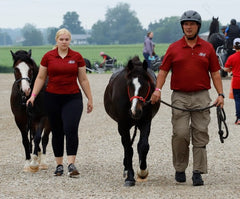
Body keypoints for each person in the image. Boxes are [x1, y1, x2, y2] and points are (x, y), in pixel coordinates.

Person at [150, 10, 224, 186]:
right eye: (185, 24)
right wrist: (158, 89)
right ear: (182, 26)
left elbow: (215, 73)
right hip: (180, 96)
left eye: (191, 24)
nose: (188, 27)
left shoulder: (207, 48)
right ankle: (180, 168)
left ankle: (198, 171)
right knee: (180, 133)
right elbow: (163, 71)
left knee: (200, 133)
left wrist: (220, 94)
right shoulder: (173, 48)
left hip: (201, 96)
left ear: (198, 26)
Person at [27, 28, 93, 177]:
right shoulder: (48, 57)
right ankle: (59, 165)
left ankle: (71, 164)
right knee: (57, 131)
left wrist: (90, 98)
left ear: (70, 41)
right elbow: (40, 78)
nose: (64, 42)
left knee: (70, 129)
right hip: (52, 98)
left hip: (73, 98)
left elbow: (83, 79)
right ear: (56, 40)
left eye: (66, 40)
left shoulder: (77, 57)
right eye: (61, 39)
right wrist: (33, 95)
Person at [224, 38, 240, 125]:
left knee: (238, 100)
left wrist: (231, 69)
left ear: (234, 46)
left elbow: (226, 68)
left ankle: (239, 118)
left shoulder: (231, 57)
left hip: (236, 81)